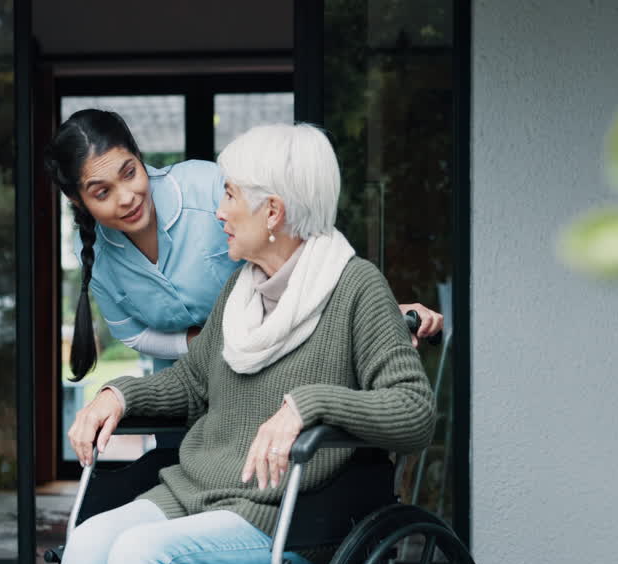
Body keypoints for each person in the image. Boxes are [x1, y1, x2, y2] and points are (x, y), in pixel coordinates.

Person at [36, 123, 436, 564]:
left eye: (228, 195)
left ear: (271, 210)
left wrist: (309, 403)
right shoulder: (240, 290)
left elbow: (414, 411)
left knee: (139, 555)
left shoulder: (356, 289)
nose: (216, 211)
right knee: (92, 539)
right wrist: (117, 396)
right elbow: (192, 384)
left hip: (282, 513)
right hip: (201, 489)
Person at [46, 109, 443, 382]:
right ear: (78, 201)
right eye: (102, 192)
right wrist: (196, 343)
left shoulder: (209, 188)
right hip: (183, 387)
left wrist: (381, 311)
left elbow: (295, 245)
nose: (127, 197)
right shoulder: (100, 262)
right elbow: (132, 334)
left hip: (272, 371)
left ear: (139, 157)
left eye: (129, 173)